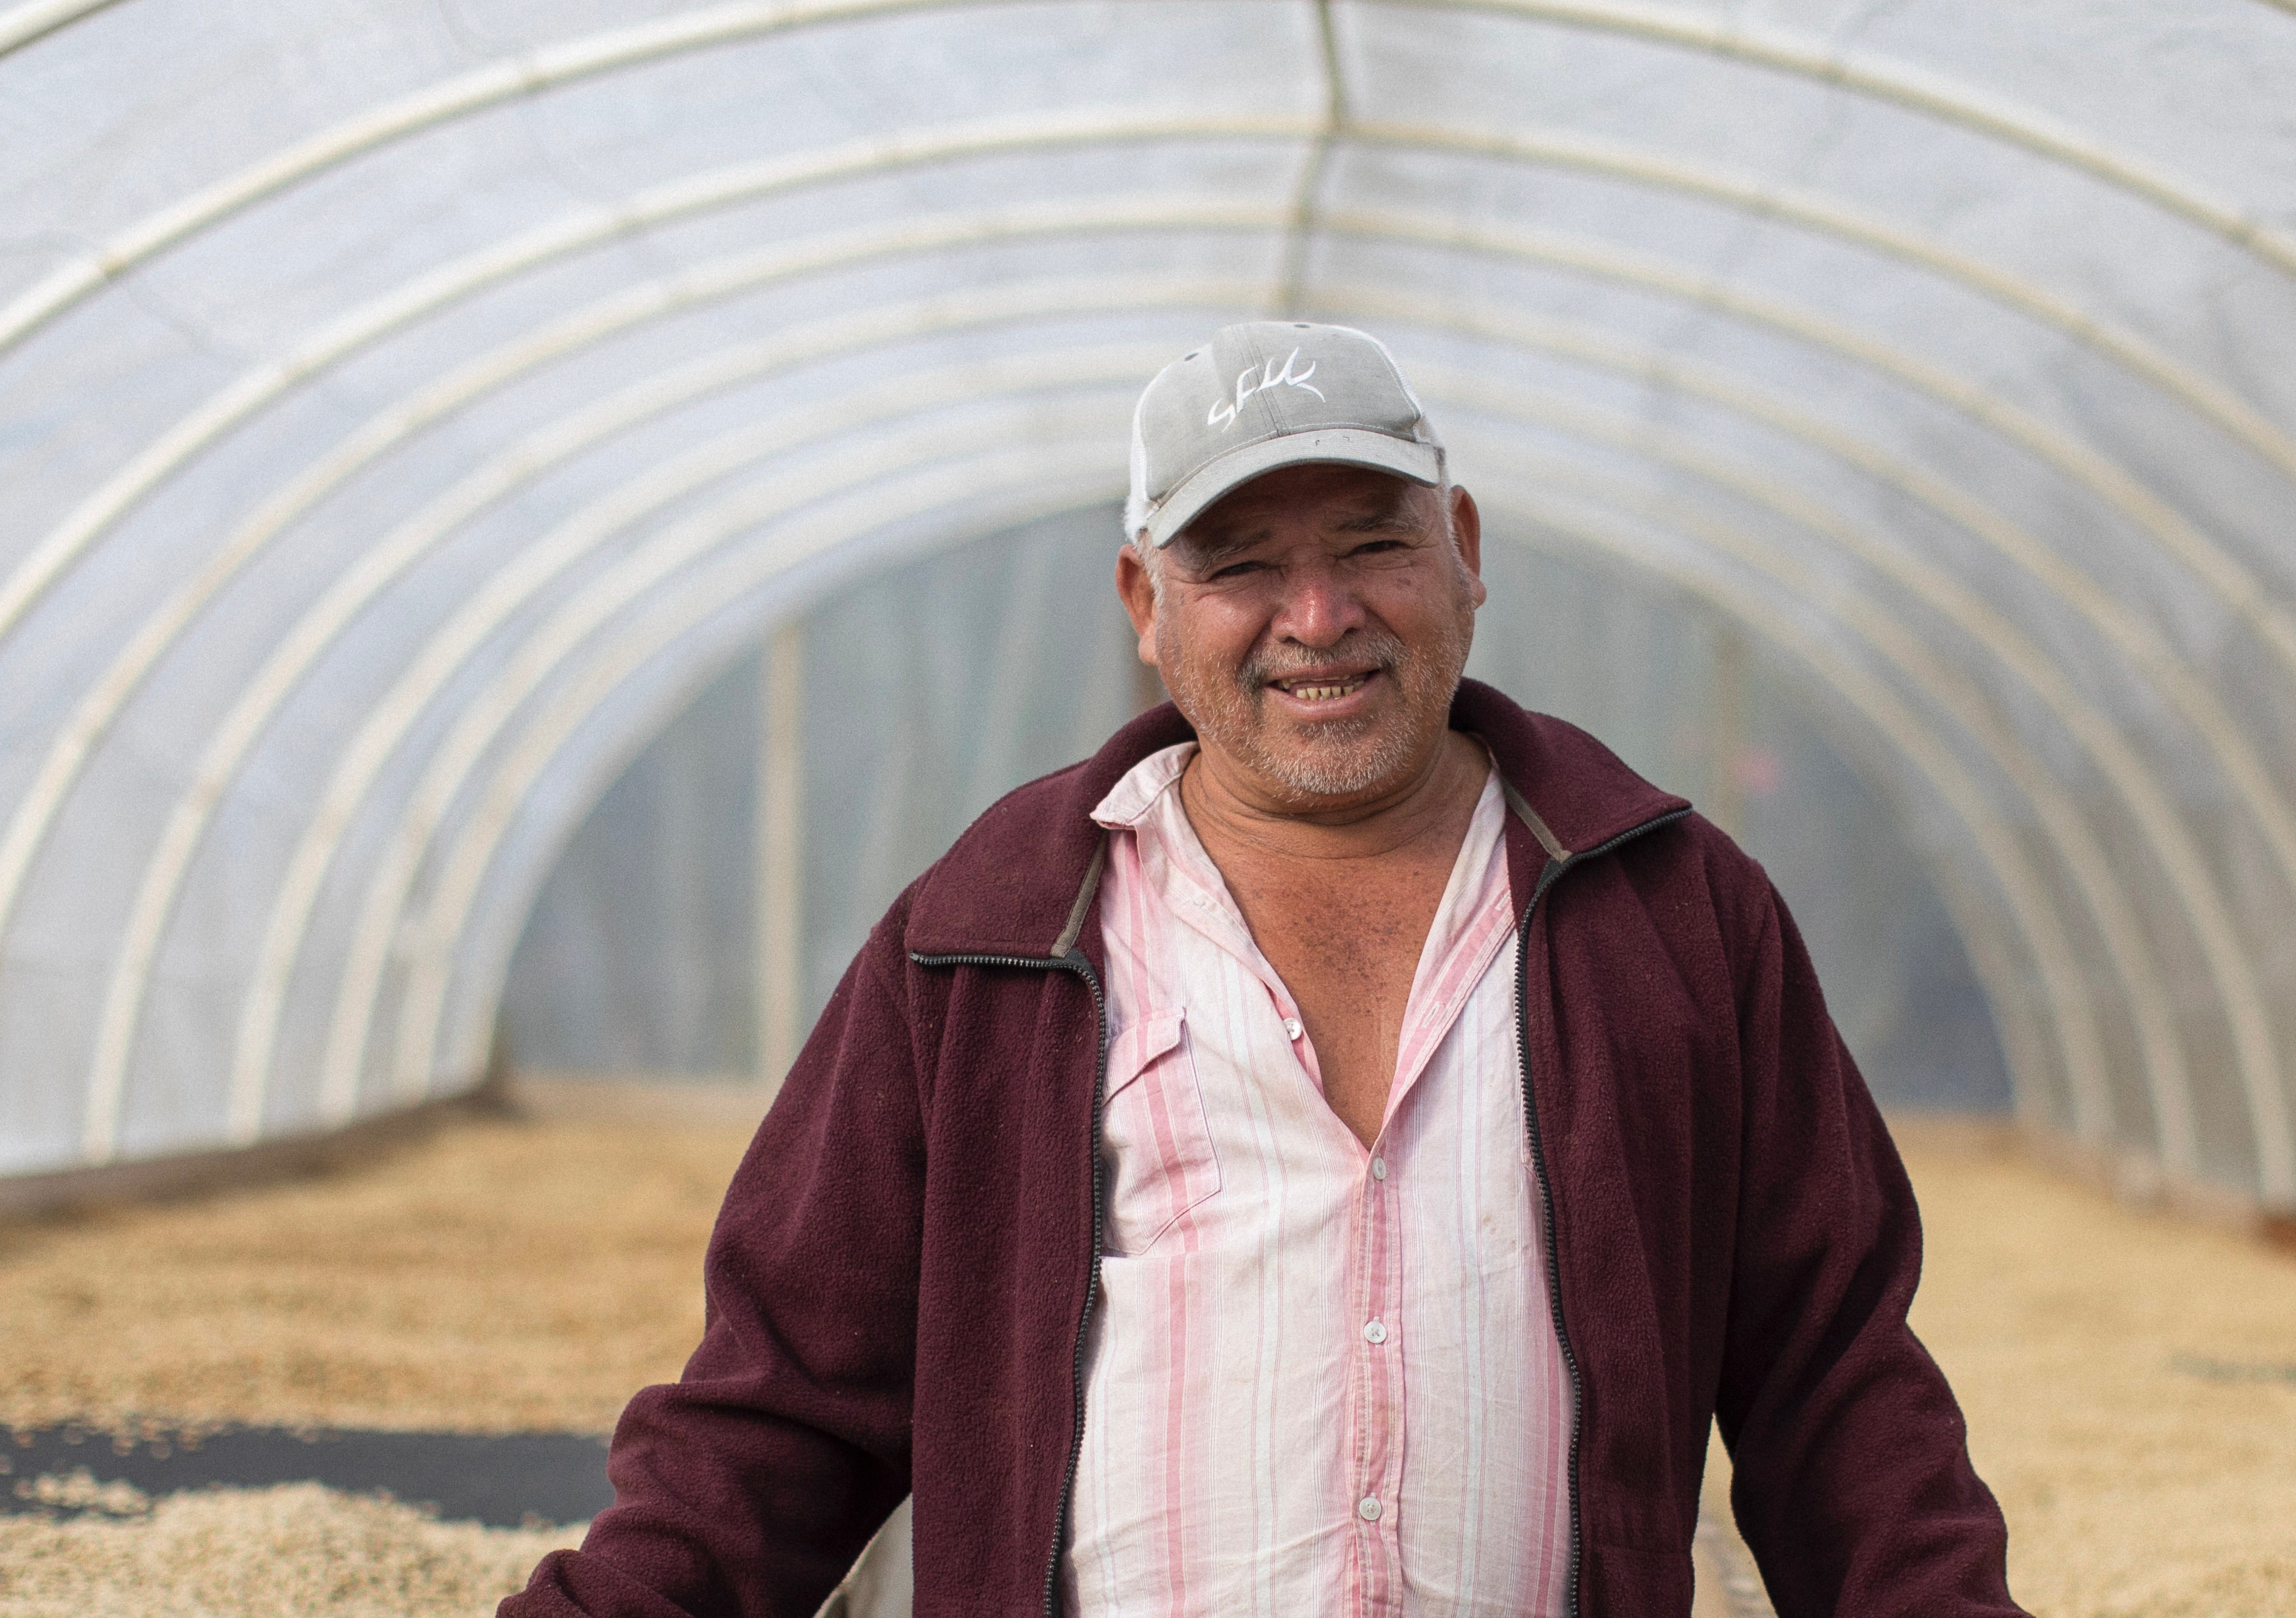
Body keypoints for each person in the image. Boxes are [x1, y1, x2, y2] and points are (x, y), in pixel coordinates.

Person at [500, 323, 2024, 1616]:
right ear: (1144, 607)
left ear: (1466, 552)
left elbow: (1835, 1388)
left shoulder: (1671, 915)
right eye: (1240, 564)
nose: (1319, 616)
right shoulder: (989, 941)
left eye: (1373, 544)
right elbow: (780, 1409)